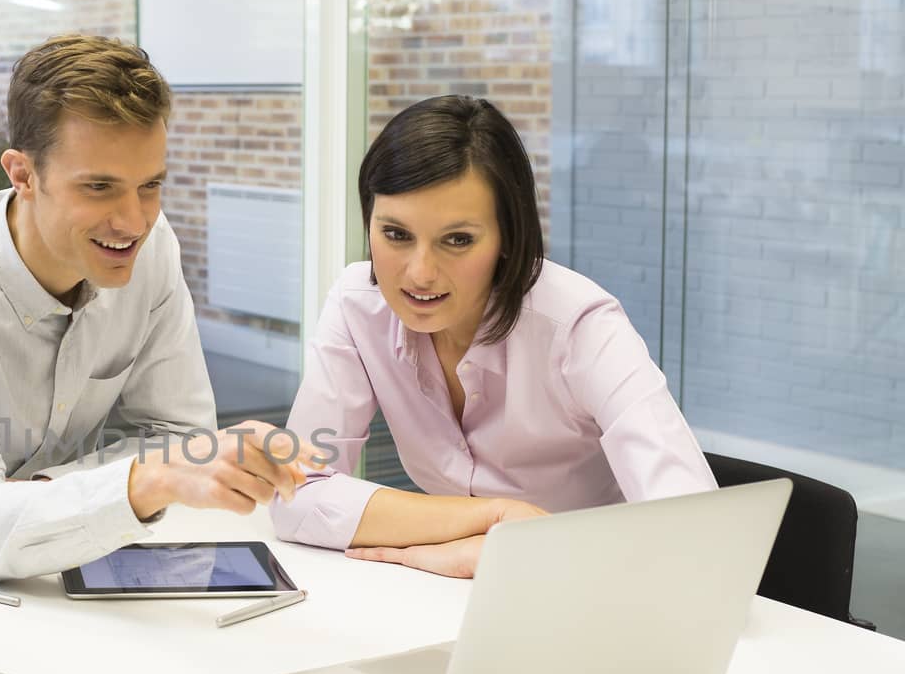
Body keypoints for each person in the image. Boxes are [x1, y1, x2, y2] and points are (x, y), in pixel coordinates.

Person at [0, 34, 308, 583]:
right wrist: (141, 480)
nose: (133, 222)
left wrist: (46, 494)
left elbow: (178, 439)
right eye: (99, 187)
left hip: (70, 548)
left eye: (150, 185)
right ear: (23, 175)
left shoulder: (150, 252)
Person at [271, 94, 715, 578]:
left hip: (596, 592)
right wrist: (493, 519)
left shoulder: (581, 327)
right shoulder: (358, 304)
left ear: (508, 236)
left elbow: (699, 538)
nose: (420, 274)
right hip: (447, 591)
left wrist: (520, 549)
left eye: (458, 239)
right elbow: (296, 493)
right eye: (396, 234)